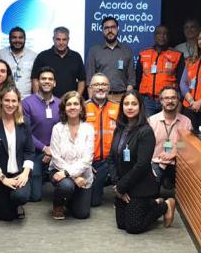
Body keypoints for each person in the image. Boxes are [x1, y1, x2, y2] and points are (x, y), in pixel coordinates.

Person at [110, 90, 176, 234]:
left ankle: (164, 205)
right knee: (122, 224)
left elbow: (142, 165)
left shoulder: (146, 131)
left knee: (133, 227)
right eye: (126, 104)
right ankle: (152, 203)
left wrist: (121, 187)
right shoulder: (119, 129)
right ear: (122, 107)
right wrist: (117, 184)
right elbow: (112, 159)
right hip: (123, 184)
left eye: (134, 104)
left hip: (141, 185)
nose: (130, 107)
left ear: (140, 106)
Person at [0, 86, 34, 221]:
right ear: (0, 101)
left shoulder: (24, 122)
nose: (10, 105)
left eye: (14, 101)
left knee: (20, 197)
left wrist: (25, 173)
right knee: (6, 217)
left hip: (19, 175)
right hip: (0, 177)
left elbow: (30, 151)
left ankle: (15, 202)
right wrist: (3, 179)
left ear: (18, 103)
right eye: (7, 100)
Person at [49, 91, 94, 220]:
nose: (72, 107)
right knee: (66, 186)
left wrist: (70, 174)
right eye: (69, 104)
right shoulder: (57, 128)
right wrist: (72, 176)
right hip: (59, 171)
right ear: (64, 108)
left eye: (76, 104)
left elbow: (87, 159)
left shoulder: (88, 129)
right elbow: (56, 157)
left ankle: (69, 200)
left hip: (83, 175)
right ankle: (58, 203)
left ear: (81, 108)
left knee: (81, 214)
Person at [22, 66, 60, 202]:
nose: (47, 81)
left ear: (54, 83)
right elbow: (25, 133)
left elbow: (62, 132)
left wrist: (51, 151)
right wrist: (45, 149)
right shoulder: (26, 103)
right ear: (37, 82)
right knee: (35, 197)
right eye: (43, 79)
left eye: (50, 79)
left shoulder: (60, 104)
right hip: (34, 152)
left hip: (56, 152)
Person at [148, 86, 192, 194]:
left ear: (178, 100)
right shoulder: (152, 121)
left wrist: (175, 152)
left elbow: (188, 145)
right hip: (156, 162)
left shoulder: (186, 122)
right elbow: (145, 147)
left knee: (187, 190)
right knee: (150, 191)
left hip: (178, 163)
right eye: (166, 98)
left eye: (173, 98)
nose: (170, 101)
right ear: (161, 101)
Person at [85, 73, 119, 207]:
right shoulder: (82, 107)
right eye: (97, 84)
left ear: (109, 88)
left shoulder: (118, 108)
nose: (100, 88)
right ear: (90, 88)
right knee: (94, 202)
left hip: (114, 160)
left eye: (104, 84)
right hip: (94, 162)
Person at [136, 25, 185, 116]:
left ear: (169, 37)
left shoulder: (177, 55)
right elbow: (137, 79)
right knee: (148, 129)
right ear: (154, 36)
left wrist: (180, 102)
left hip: (169, 101)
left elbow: (181, 82)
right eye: (159, 34)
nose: (162, 36)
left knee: (168, 128)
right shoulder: (144, 54)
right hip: (147, 101)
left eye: (165, 34)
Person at [85, 17, 135, 102]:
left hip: (121, 97)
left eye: (113, 27)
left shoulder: (127, 51)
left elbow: (131, 80)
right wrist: (91, 101)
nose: (110, 30)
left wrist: (127, 100)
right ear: (103, 31)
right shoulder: (94, 51)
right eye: (106, 28)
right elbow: (90, 80)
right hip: (100, 97)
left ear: (117, 29)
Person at [31, 26, 86, 97]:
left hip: (69, 102)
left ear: (68, 40)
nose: (61, 42)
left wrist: (77, 97)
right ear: (53, 39)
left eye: (64, 39)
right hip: (46, 101)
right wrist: (38, 99)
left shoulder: (76, 56)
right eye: (58, 39)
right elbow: (35, 79)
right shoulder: (42, 56)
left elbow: (82, 80)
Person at [0, 27, 38, 97]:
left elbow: (35, 80)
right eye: (14, 37)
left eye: (20, 37)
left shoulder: (34, 56)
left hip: (27, 98)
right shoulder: (0, 54)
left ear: (25, 39)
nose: (17, 40)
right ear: (9, 39)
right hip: (6, 97)